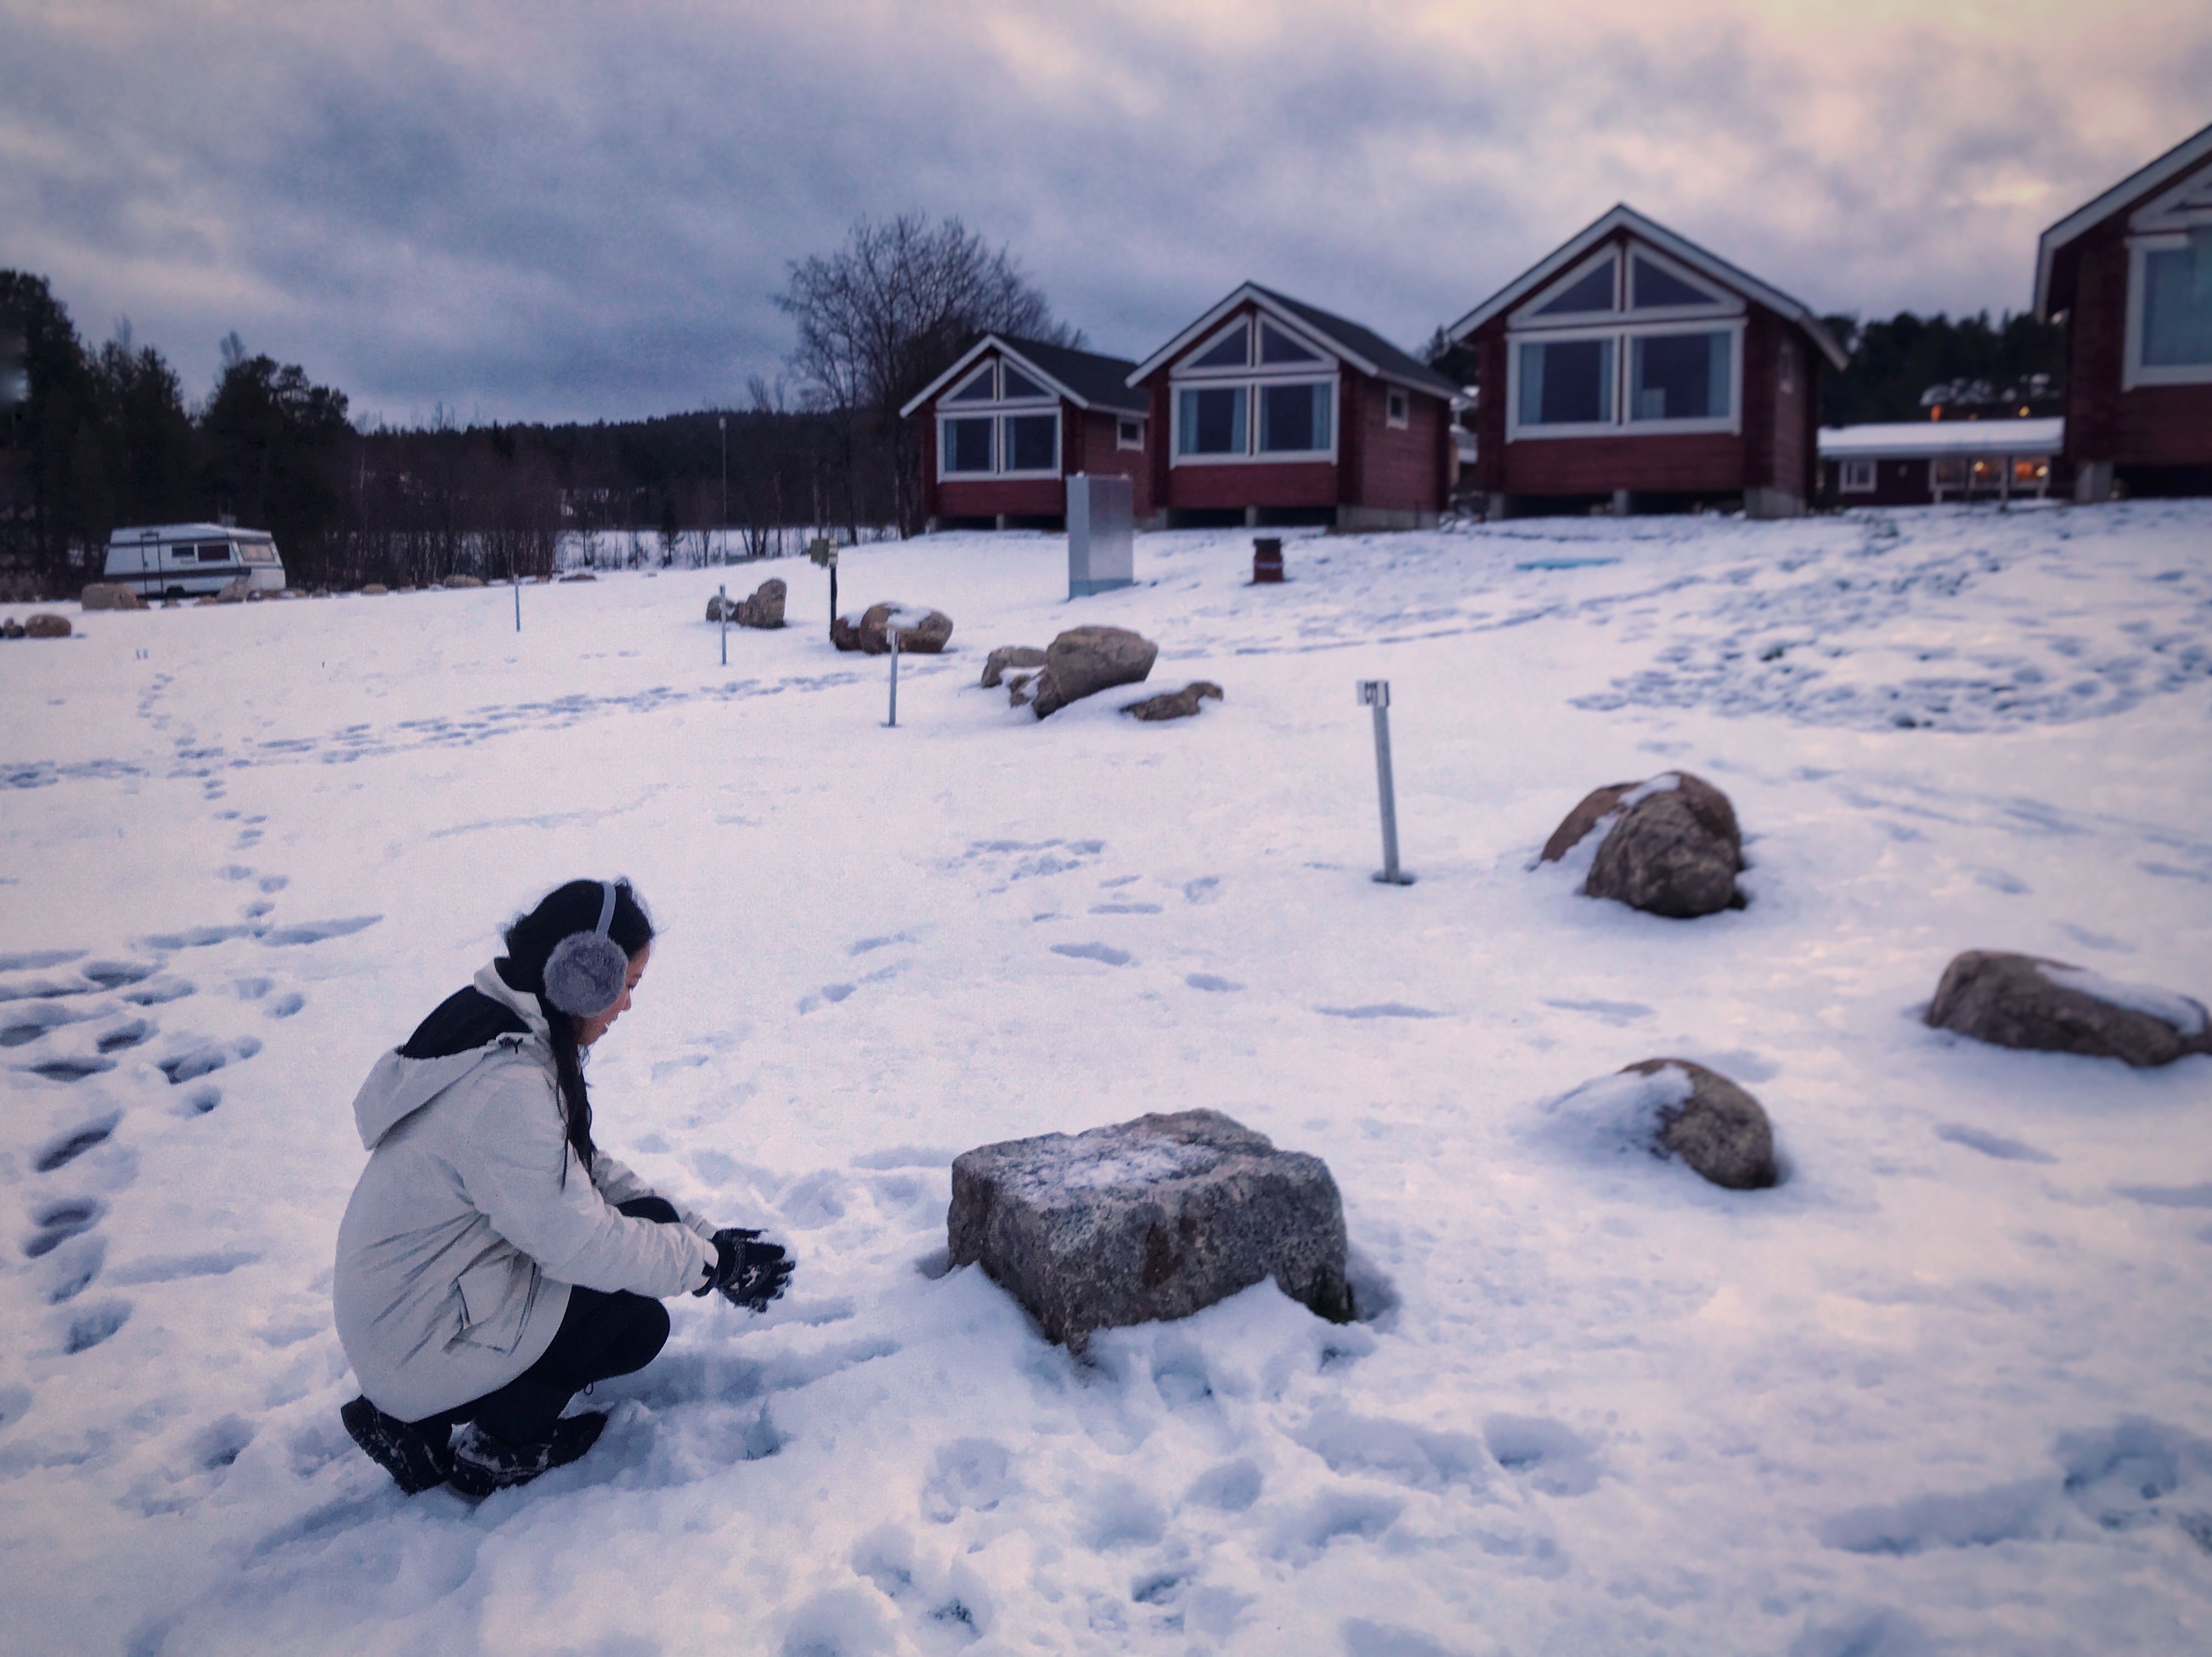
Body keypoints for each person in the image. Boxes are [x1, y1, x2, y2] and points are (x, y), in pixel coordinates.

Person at [333, 878, 792, 1497]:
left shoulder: (501, 1030)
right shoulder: (505, 1087)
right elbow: (583, 1243)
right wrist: (709, 1267)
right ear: (584, 977)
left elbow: (583, 1169)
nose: (627, 1006)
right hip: (421, 1337)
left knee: (646, 1225)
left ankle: (415, 1420)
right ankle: (500, 1446)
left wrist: (709, 1239)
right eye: (626, 987)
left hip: (409, 1316)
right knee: (632, 1321)